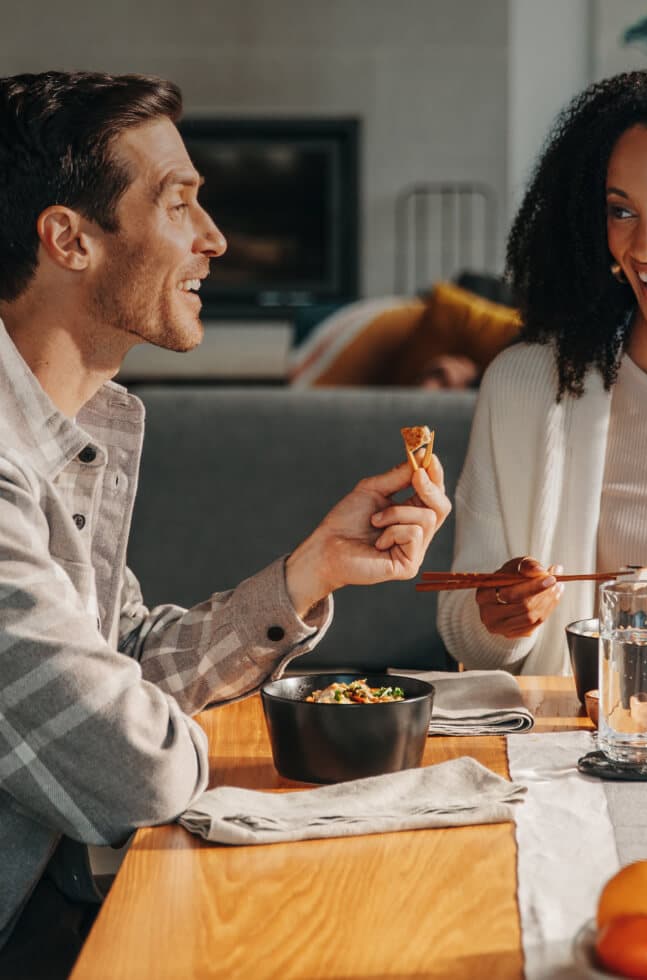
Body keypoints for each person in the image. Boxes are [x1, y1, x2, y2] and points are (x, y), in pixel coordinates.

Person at [0, 71, 451, 976]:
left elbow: (119, 661)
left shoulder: (66, 433)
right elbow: (135, 774)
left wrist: (308, 574)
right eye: (179, 205)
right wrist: (143, 732)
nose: (214, 240)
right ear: (69, 239)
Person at [438, 64, 647, 679]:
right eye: (621, 211)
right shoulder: (528, 389)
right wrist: (499, 617)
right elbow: (466, 637)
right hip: (581, 742)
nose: (646, 247)